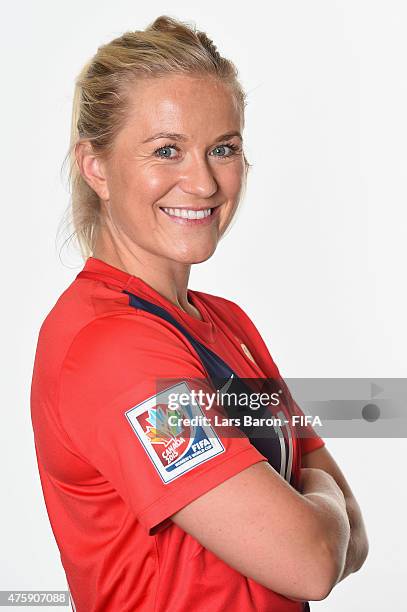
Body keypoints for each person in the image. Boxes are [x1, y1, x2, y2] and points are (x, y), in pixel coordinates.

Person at [30, 15, 369, 612]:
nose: (205, 181)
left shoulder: (225, 323)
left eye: (224, 148)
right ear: (96, 166)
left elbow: (354, 542)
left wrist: (319, 513)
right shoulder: (113, 348)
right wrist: (318, 495)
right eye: (167, 150)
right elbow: (313, 561)